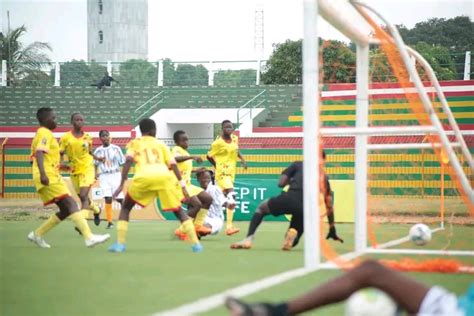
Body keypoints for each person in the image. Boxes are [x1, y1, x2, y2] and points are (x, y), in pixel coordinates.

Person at [225, 259, 473, 316]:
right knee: (370, 271)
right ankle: (273, 311)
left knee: (370, 271)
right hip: (459, 305)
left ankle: (272, 312)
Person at [108, 118, 203, 253]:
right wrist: (182, 186)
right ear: (154, 130)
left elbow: (128, 159)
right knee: (179, 211)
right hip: (164, 178)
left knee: (126, 207)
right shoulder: (161, 144)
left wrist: (121, 184)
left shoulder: (134, 143)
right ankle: (196, 245)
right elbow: (173, 164)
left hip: (143, 178)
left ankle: (120, 244)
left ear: (141, 130)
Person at [28, 107, 110, 248]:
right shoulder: (45, 133)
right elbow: (40, 153)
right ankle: (89, 237)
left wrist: (58, 167)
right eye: (53, 118)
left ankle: (37, 234)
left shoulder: (42, 134)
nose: (56, 120)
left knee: (66, 210)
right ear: (44, 120)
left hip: (56, 174)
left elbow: (33, 158)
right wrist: (43, 173)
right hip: (50, 176)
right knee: (72, 204)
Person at [230, 151, 342, 251]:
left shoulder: (298, 164)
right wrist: (332, 228)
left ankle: (248, 239)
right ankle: (292, 237)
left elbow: (281, 183)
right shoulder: (324, 177)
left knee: (261, 208)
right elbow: (329, 205)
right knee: (294, 236)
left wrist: (292, 180)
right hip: (307, 207)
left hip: (290, 197)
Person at [60, 113, 103, 228]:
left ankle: (81, 224)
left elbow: (90, 152)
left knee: (83, 195)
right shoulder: (65, 138)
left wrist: (98, 159)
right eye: (77, 120)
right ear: (72, 122)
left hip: (87, 168)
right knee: (82, 198)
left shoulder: (88, 137)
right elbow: (60, 152)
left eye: (81, 120)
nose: (79, 122)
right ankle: (96, 209)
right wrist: (61, 162)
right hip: (74, 170)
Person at [207, 120, 247, 236]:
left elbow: (236, 150)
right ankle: (229, 226)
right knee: (231, 195)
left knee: (219, 199)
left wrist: (243, 160)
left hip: (231, 173)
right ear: (222, 129)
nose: (229, 129)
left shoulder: (234, 138)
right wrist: (217, 166)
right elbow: (208, 156)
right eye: (226, 127)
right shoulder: (217, 143)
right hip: (222, 173)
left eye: (230, 127)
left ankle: (199, 221)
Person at [171, 130, 213, 240]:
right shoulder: (176, 150)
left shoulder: (185, 153)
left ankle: (197, 226)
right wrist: (192, 157)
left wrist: (196, 170)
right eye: (183, 140)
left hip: (188, 185)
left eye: (187, 139)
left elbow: (183, 170)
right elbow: (174, 159)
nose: (186, 142)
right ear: (176, 142)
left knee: (208, 199)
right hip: (178, 186)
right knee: (197, 205)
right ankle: (181, 230)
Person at [93, 129, 126, 229]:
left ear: (109, 136)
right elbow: (94, 164)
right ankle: (110, 222)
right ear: (100, 138)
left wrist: (124, 175)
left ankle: (124, 219)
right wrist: (95, 174)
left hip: (115, 174)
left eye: (107, 135)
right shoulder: (98, 151)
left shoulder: (116, 149)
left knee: (120, 199)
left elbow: (123, 162)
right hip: (104, 176)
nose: (105, 138)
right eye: (103, 136)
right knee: (108, 198)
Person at [197, 169, 232, 236]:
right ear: (198, 179)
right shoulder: (196, 190)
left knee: (204, 230)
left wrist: (228, 205)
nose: (206, 180)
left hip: (215, 220)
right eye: (204, 178)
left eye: (208, 178)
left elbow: (223, 201)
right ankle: (194, 231)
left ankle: (198, 231)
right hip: (201, 218)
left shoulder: (215, 189)